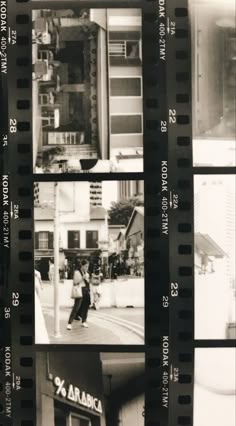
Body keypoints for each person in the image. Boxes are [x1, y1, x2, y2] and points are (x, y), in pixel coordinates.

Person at [67, 259, 90, 330]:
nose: (87, 268)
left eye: (87, 266)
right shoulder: (77, 272)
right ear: (82, 266)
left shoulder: (87, 273)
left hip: (86, 290)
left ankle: (84, 321)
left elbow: (88, 282)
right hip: (80, 290)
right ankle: (69, 323)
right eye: (85, 266)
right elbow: (75, 282)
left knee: (85, 307)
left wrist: (88, 279)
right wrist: (82, 278)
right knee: (76, 307)